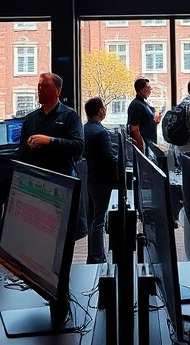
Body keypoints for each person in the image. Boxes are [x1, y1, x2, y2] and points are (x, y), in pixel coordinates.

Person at [18, 72, 85, 178]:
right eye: (39, 86)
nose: (40, 89)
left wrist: (50, 141)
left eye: (45, 86)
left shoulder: (70, 116)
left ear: (58, 90)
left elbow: (79, 147)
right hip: (35, 178)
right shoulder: (30, 118)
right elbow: (22, 152)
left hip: (61, 178)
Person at [83, 97, 118, 264]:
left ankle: (93, 256)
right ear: (100, 111)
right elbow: (110, 158)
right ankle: (98, 257)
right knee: (99, 220)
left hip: (91, 178)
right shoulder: (101, 132)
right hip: (103, 181)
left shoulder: (86, 128)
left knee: (94, 218)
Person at [128, 78, 160, 153]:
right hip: (144, 145)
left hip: (149, 144)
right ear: (141, 89)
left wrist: (155, 121)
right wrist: (141, 150)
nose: (150, 89)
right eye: (148, 87)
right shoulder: (136, 105)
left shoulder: (144, 103)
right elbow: (135, 129)